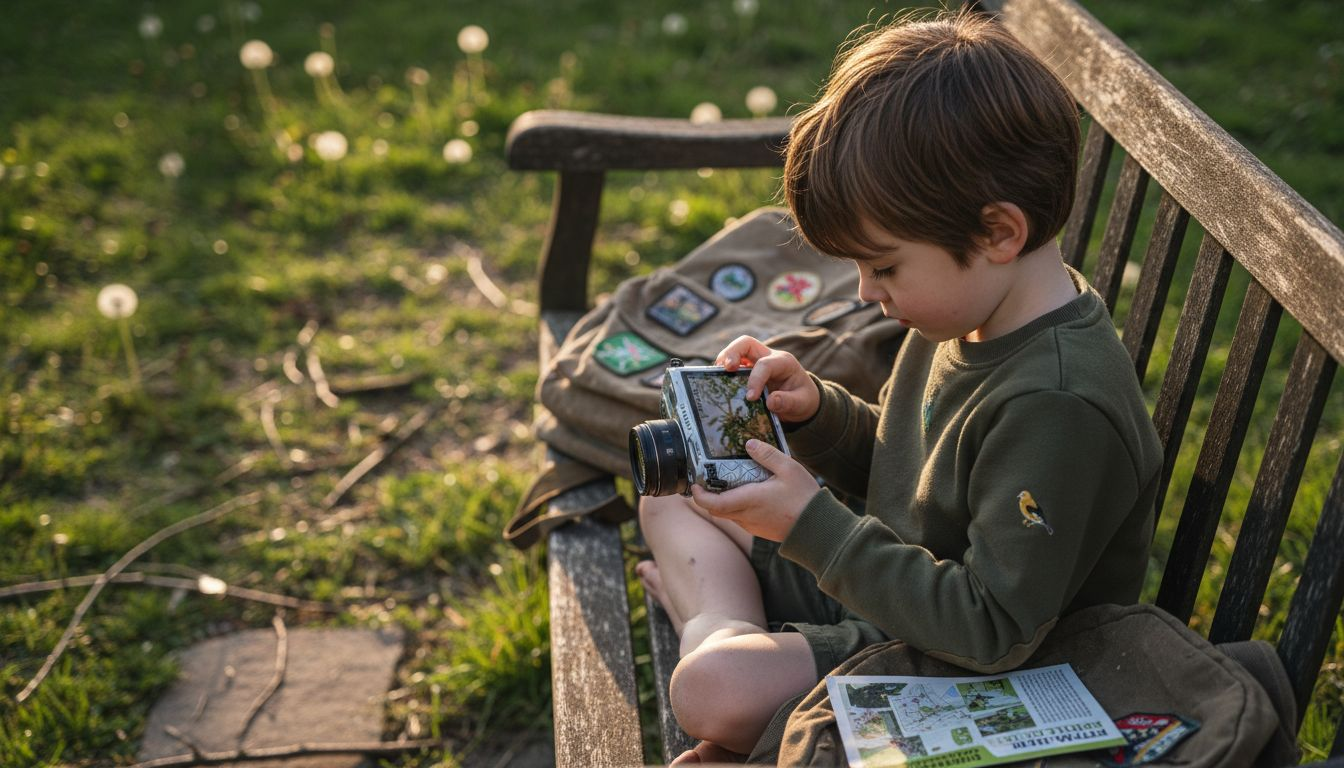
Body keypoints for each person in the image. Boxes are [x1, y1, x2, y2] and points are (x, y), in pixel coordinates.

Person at [635, 8, 1164, 763]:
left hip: (979, 662)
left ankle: (722, 639)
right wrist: (817, 413)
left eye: (882, 267)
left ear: (997, 233)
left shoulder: (1057, 403)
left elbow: (992, 630)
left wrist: (809, 524)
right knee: (672, 495)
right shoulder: (972, 311)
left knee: (710, 691)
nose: (865, 292)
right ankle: (728, 636)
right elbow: (908, 462)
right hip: (894, 582)